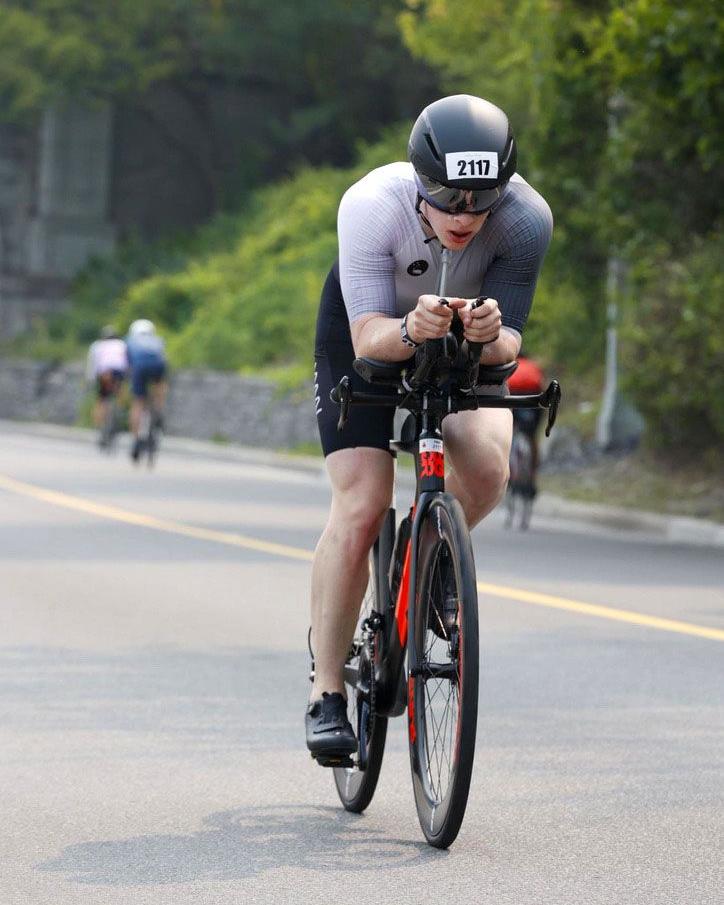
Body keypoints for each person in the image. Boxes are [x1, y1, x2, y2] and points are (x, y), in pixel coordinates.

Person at [307, 94, 553, 762]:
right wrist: (410, 327)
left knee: (489, 467)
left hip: (461, 341)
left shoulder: (527, 220)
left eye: (483, 198)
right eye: (447, 197)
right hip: (371, 333)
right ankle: (328, 689)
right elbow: (366, 337)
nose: (466, 215)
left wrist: (489, 334)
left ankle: (433, 558)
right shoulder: (371, 205)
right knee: (360, 503)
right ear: (419, 182)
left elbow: (509, 345)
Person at [125, 319, 168, 462]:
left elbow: (127, 364)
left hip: (140, 367)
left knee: (138, 402)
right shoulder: (158, 340)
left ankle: (136, 439)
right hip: (158, 366)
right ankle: (159, 410)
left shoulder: (130, 340)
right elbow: (162, 357)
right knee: (160, 385)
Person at [507, 350, 545, 497]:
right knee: (532, 437)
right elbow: (542, 385)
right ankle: (532, 478)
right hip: (534, 398)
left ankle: (509, 473)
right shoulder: (534, 366)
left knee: (509, 433)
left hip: (513, 396)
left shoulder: (511, 365)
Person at [86, 325, 128, 442]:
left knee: (101, 400)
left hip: (104, 372)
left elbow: (92, 364)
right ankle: (120, 412)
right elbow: (127, 362)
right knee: (119, 391)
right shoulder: (122, 344)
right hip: (119, 372)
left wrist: (91, 379)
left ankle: (98, 429)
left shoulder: (97, 345)